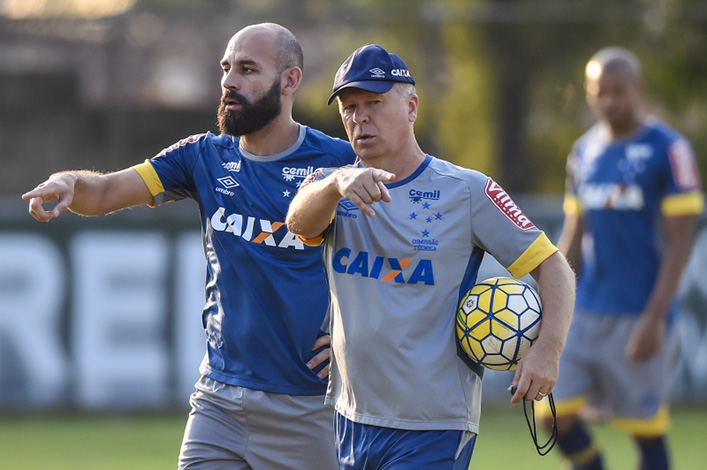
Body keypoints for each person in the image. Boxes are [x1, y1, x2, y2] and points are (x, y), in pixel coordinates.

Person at [22, 23, 356, 470]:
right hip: (218, 401)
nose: (229, 81)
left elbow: (391, 257)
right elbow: (103, 194)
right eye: (226, 68)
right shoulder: (201, 155)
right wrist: (68, 182)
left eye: (248, 69)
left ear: (290, 81)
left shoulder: (339, 161)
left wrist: (356, 338)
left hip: (309, 408)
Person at [285, 44, 576, 469]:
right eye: (349, 108)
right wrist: (336, 184)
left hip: (433, 427)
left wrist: (548, 349)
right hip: (351, 418)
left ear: (412, 107)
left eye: (374, 103)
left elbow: (553, 266)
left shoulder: (467, 190)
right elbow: (298, 222)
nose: (359, 118)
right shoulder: (332, 187)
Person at [543, 47, 704, 470]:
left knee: (645, 432)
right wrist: (551, 304)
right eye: (601, 92)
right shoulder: (583, 152)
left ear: (639, 90)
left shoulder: (670, 150)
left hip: (639, 313)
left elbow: (681, 242)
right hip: (585, 311)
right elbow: (573, 236)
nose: (610, 100)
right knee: (553, 416)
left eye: (620, 91)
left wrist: (655, 318)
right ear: (589, 94)